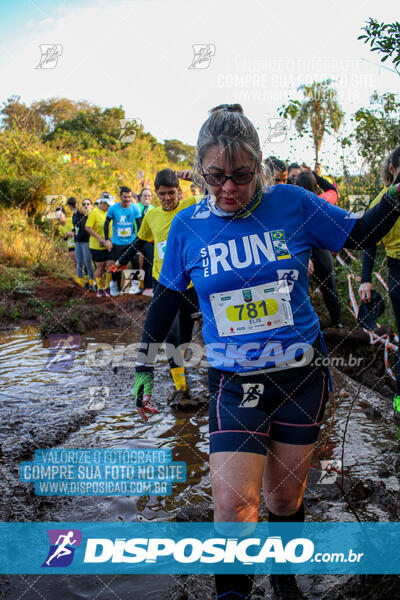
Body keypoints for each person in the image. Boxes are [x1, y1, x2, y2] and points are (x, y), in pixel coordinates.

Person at [131, 104, 400, 600]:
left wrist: (396, 196)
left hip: (301, 378)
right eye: (215, 176)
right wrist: (146, 362)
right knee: (233, 507)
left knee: (283, 496)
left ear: (260, 168)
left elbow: (361, 233)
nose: (228, 188)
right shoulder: (188, 227)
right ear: (200, 170)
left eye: (240, 175)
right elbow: (166, 297)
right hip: (235, 384)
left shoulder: (294, 204)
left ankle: (283, 577)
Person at [116, 169, 199, 402]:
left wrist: (194, 175)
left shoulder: (192, 205)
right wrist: (120, 261)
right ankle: (181, 390)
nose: (166, 198)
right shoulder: (151, 215)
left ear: (179, 192)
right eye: (161, 194)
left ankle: (183, 376)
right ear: (156, 193)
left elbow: (217, 189)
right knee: (169, 336)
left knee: (184, 337)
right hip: (164, 283)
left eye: (171, 193)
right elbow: (140, 242)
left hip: (190, 286)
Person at [359, 146, 400, 420]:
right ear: (393, 169)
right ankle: (399, 404)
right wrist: (365, 280)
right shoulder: (384, 200)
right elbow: (369, 240)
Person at [295, 167, 343, 328]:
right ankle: (338, 324)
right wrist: (316, 176)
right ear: (316, 187)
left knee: (296, 292)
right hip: (321, 253)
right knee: (329, 289)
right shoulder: (323, 199)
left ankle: (303, 327)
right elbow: (333, 189)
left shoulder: (292, 206)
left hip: (301, 253)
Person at [104, 186, 142, 296]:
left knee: (135, 262)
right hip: (117, 243)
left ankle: (135, 284)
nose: (127, 199)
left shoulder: (135, 208)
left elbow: (139, 224)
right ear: (120, 196)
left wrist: (138, 240)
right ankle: (115, 285)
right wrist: (107, 239)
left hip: (131, 242)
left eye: (129, 197)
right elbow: (106, 223)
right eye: (125, 197)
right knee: (118, 265)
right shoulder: (113, 208)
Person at [85, 195, 114, 297]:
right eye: (108, 205)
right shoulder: (94, 212)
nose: (109, 207)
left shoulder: (109, 213)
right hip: (97, 245)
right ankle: (99, 288)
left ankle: (107, 287)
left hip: (109, 244)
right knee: (100, 267)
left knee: (110, 265)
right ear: (103, 203)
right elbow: (88, 227)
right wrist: (99, 238)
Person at [72, 198, 95, 290]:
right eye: (84, 204)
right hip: (78, 241)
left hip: (88, 241)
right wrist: (74, 233)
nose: (86, 206)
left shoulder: (93, 215)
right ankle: (80, 282)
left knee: (88, 262)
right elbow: (76, 227)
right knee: (79, 262)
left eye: (88, 204)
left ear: (91, 206)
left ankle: (91, 282)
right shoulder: (78, 215)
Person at [56, 206, 76, 272]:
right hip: (71, 246)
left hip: (79, 244)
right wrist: (66, 236)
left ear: (64, 214)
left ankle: (89, 280)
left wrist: (69, 234)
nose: (59, 217)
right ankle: (79, 281)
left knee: (84, 264)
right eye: (57, 216)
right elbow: (64, 237)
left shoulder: (71, 220)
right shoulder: (60, 227)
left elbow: (77, 232)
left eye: (60, 215)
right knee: (75, 264)